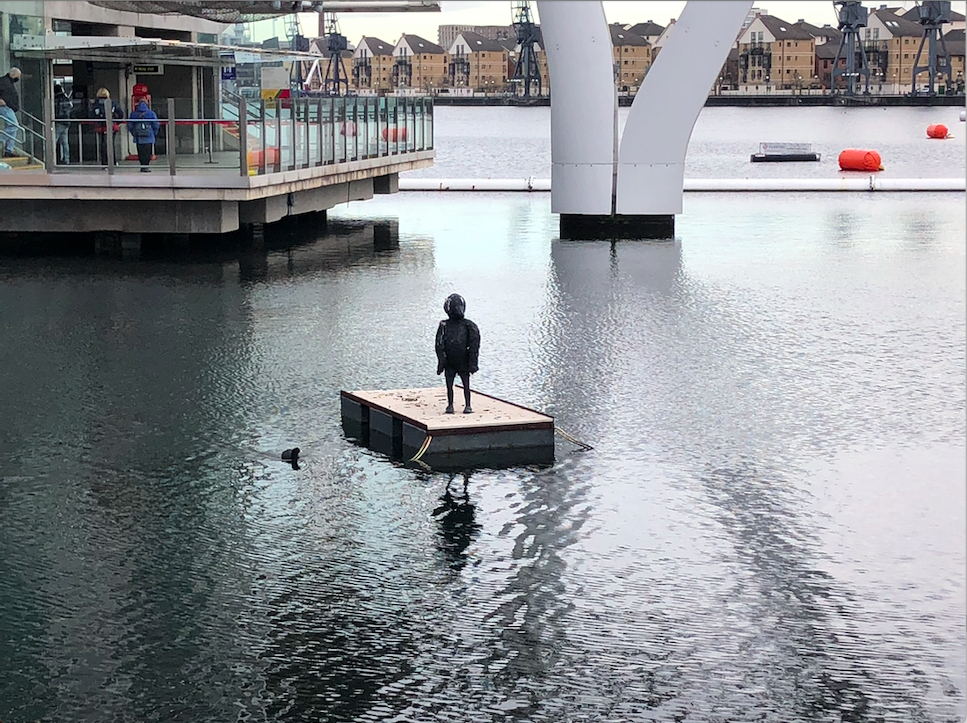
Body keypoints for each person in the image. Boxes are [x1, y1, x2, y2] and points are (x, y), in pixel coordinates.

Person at [435, 293, 480, 414]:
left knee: (464, 383)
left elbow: (474, 346)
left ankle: (467, 404)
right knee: (451, 383)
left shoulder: (468, 325)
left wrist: (472, 363)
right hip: (451, 361)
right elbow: (439, 345)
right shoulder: (444, 325)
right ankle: (451, 405)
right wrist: (441, 362)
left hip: (462, 360)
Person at [90, 87, 124, 166]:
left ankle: (104, 162)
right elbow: (121, 114)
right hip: (111, 126)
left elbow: (91, 115)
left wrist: (96, 121)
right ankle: (113, 161)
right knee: (111, 144)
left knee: (102, 145)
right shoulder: (112, 103)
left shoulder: (96, 104)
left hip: (100, 126)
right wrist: (117, 122)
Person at [127, 98, 159, 172]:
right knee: (148, 152)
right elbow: (156, 125)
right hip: (149, 136)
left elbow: (130, 125)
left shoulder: (134, 114)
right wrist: (154, 133)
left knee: (140, 152)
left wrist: (134, 133)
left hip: (138, 137)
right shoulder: (151, 113)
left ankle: (142, 166)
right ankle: (146, 166)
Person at [0, 67, 22, 159]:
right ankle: (1, 140)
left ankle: (9, 149)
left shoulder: (7, 82)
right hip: (5, 107)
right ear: (13, 75)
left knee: (12, 127)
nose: (18, 78)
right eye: (17, 76)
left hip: (9, 107)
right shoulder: (3, 81)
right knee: (14, 126)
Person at [53, 84, 72, 164]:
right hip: (66, 121)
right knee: (65, 142)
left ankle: (51, 158)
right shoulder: (66, 98)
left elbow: (58, 111)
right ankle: (66, 159)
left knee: (54, 140)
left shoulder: (57, 99)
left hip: (59, 121)